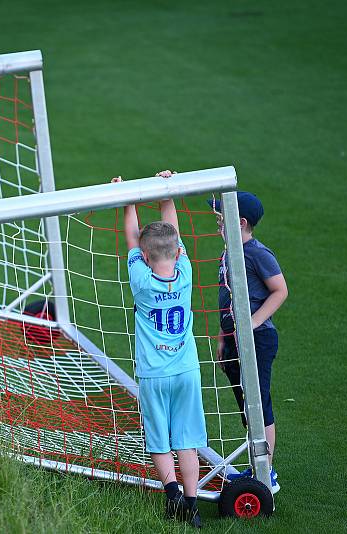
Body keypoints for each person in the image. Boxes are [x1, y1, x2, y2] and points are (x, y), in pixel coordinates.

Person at [114, 171, 206, 528]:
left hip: (154, 374)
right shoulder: (185, 272)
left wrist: (128, 200)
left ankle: (173, 496)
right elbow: (175, 236)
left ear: (145, 256)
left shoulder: (140, 280)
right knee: (187, 439)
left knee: (159, 438)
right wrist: (168, 193)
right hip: (187, 372)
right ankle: (193, 506)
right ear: (178, 252)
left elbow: (132, 240)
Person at [209, 192, 287, 491]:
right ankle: (257, 464)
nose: (217, 223)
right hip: (233, 339)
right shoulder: (228, 251)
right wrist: (222, 337)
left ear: (240, 222)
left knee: (258, 402)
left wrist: (252, 323)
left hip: (258, 339)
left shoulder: (257, 253)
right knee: (245, 404)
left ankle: (266, 473)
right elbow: (226, 300)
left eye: (221, 218)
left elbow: (280, 290)